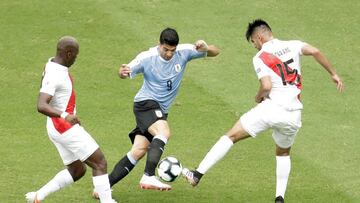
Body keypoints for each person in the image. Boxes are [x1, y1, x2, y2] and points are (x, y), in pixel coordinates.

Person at [182, 19, 344, 203]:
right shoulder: (293, 44)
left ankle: (197, 174)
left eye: (253, 42)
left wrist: (258, 97)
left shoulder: (260, 56)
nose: (254, 46)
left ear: (259, 37)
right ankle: (279, 198)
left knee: (231, 136)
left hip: (271, 109)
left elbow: (266, 85)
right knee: (283, 153)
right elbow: (315, 51)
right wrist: (333, 74)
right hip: (294, 115)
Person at [110, 27, 219, 191]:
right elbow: (124, 71)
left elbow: (216, 52)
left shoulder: (184, 52)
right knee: (163, 132)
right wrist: (122, 72)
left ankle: (103, 186)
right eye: (165, 49)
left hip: (160, 110)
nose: (169, 54)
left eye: (172, 51)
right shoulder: (147, 58)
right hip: (145, 104)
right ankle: (148, 176)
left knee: (139, 150)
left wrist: (206, 48)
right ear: (159, 44)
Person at [25, 36, 117, 203]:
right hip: (63, 126)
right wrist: (65, 115)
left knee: (77, 170)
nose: (76, 59)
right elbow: (41, 105)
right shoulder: (55, 74)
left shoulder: (52, 64)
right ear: (68, 54)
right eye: (75, 55)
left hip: (55, 127)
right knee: (100, 162)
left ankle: (39, 196)